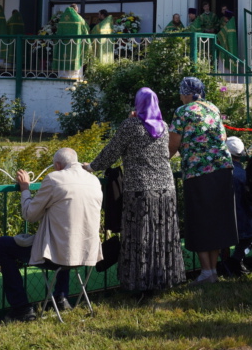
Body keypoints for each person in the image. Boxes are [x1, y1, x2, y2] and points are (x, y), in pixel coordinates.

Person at [89, 87, 185, 293]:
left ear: (137, 104)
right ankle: (165, 279)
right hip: (166, 189)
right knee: (162, 236)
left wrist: (91, 167)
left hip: (140, 190)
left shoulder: (131, 125)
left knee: (139, 237)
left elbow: (111, 152)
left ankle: (139, 283)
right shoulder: (163, 126)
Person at [0, 147, 102, 320]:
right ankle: (61, 297)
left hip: (57, 257)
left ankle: (21, 307)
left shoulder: (54, 179)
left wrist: (25, 189)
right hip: (86, 253)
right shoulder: (94, 181)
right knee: (65, 234)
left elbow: (30, 215)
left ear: (58, 165)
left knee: (3, 245)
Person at [169, 76, 238, 281]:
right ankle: (213, 270)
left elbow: (173, 144)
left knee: (199, 220)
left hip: (198, 171)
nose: (180, 97)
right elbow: (223, 137)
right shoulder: (213, 108)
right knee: (216, 219)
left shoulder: (183, 112)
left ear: (186, 93)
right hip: (222, 170)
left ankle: (206, 271)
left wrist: (164, 161)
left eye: (181, 93)